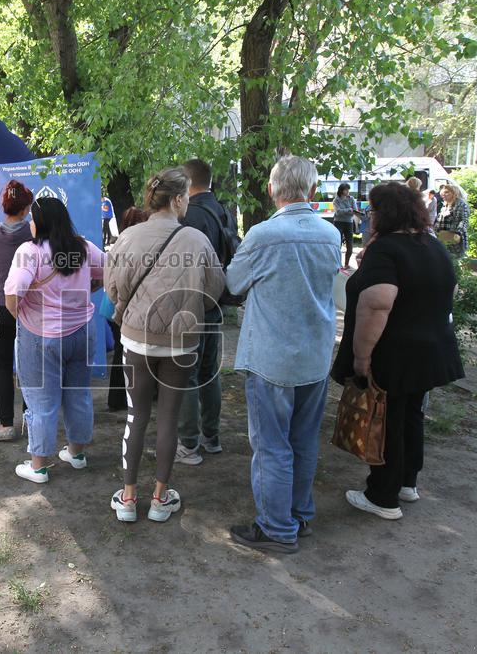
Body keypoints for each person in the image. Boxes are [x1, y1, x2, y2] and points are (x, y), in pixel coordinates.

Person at [225, 156, 340, 553]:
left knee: (272, 446)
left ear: (272, 189)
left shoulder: (262, 235)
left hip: (271, 358)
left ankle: (276, 528)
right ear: (313, 190)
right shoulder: (331, 234)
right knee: (304, 441)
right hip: (315, 356)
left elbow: (234, 283)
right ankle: (299, 515)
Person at [332, 182, 464, 519]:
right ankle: (407, 483)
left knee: (387, 418)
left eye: (374, 210)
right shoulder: (431, 245)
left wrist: (362, 357)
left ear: (384, 213)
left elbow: (377, 304)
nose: (370, 215)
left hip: (394, 352)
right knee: (411, 415)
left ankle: (382, 496)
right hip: (430, 350)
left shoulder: (388, 249)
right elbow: (446, 291)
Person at [105, 167, 223, 523]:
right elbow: (214, 289)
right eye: (185, 197)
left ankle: (128, 497)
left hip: (136, 339)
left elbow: (113, 288)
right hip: (181, 342)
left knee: (136, 416)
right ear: (177, 200)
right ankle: (160, 497)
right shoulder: (196, 240)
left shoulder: (128, 237)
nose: (187, 202)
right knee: (169, 418)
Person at [4, 196, 105, 483]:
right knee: (79, 394)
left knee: (41, 401)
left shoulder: (30, 251)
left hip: (41, 336)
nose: (30, 224)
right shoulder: (83, 247)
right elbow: (109, 270)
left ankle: (39, 467)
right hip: (82, 332)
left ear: (40, 223)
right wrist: (88, 290)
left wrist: (20, 314)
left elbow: (13, 292)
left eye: (32, 220)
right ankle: (76, 454)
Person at [173, 158, 230, 466]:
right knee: (209, 372)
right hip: (215, 304)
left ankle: (188, 445)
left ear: (186, 181)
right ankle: (212, 437)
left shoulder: (190, 215)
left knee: (188, 376)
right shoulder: (223, 210)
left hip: (191, 307)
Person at [0, 180, 34, 442]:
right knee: (30, 365)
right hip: (29, 307)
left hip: (1, 305)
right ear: (25, 208)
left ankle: (5, 425)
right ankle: (31, 419)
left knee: (2, 365)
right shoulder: (33, 233)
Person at [101, 206, 148, 412]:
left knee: (122, 352)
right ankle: (122, 398)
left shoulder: (120, 244)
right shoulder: (136, 246)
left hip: (112, 307)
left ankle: (117, 398)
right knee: (127, 352)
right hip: (121, 307)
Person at [435, 182, 470, 257]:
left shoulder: (461, 204)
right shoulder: (445, 205)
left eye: (447, 192)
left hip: (454, 239)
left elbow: (464, 220)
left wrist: (457, 233)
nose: (443, 194)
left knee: (454, 259)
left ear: (454, 193)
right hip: (442, 237)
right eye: (443, 193)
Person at [332, 183, 357, 269]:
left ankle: (347, 264)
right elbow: (338, 212)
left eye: (348, 189)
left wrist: (347, 211)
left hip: (349, 223)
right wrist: (349, 210)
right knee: (337, 244)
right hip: (338, 222)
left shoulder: (351, 199)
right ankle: (338, 263)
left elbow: (354, 211)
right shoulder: (336, 200)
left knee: (350, 245)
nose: (348, 191)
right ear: (341, 190)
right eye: (346, 189)